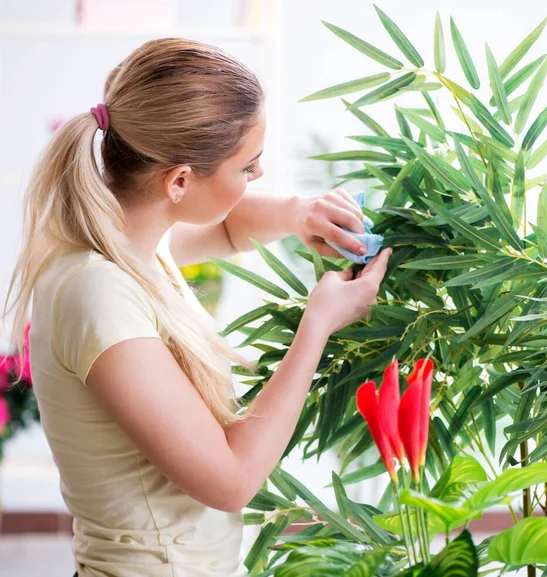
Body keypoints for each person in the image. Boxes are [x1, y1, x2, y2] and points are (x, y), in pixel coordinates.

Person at [3, 38, 392, 577]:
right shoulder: (97, 293)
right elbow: (231, 481)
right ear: (179, 180)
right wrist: (318, 324)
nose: (257, 178)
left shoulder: (122, 234)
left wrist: (301, 213)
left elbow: (229, 226)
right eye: (249, 167)